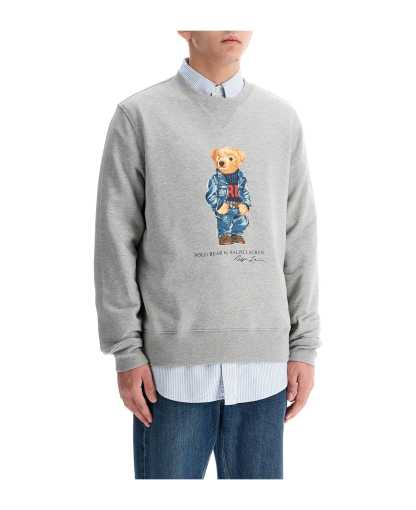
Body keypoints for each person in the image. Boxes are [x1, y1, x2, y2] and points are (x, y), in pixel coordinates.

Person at [94, 30, 320, 479]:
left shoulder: (281, 119)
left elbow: (299, 237)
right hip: (170, 372)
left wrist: (304, 345)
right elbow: (115, 240)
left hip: (265, 368)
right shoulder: (139, 116)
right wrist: (126, 350)